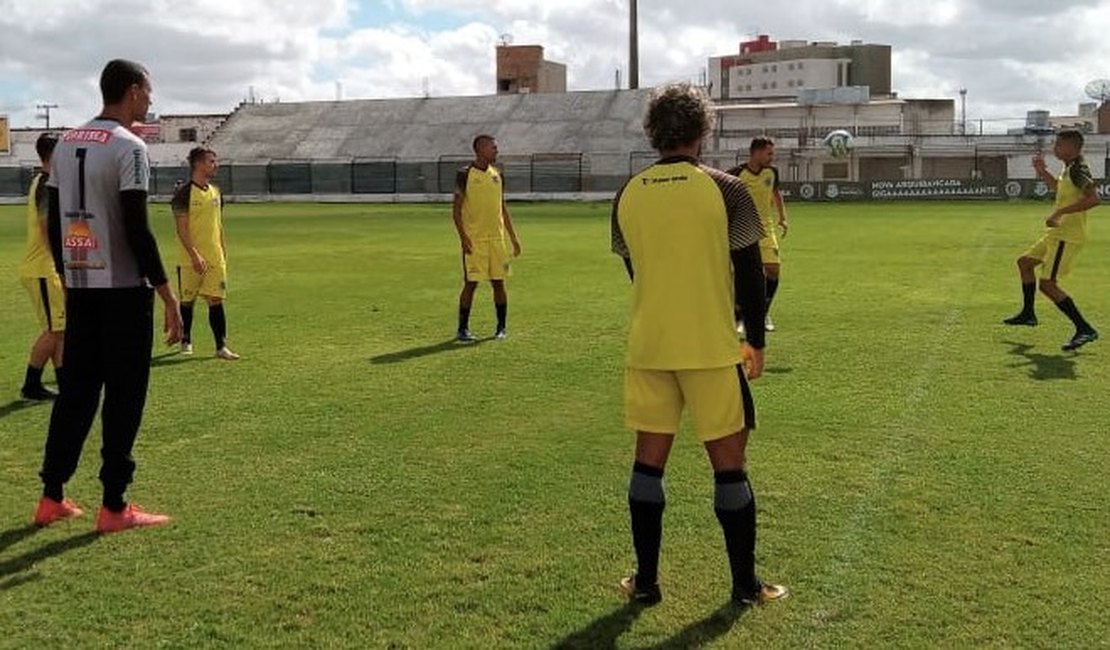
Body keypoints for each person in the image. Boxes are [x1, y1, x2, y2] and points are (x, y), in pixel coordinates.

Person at [611, 82, 787, 606]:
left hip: (650, 346)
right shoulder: (725, 188)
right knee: (729, 467)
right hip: (712, 347)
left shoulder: (628, 192)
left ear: (653, 131)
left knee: (648, 466)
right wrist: (755, 340)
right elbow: (752, 275)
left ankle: (645, 584)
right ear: (703, 129)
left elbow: (634, 268)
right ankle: (745, 587)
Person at [33, 59, 184, 533]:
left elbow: (54, 223)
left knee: (75, 395)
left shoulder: (66, 143)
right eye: (148, 91)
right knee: (124, 397)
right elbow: (137, 229)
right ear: (133, 90)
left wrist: (68, 274)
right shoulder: (130, 147)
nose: (151, 101)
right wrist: (166, 293)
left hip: (82, 291)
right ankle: (114, 506)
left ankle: (51, 495)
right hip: (122, 293)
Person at [1003, 129, 1100, 351]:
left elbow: (1094, 199)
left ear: (1074, 148)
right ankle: (1028, 314)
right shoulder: (1068, 170)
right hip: (1056, 234)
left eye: (1059, 145)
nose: (1055, 148)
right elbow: (1058, 188)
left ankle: (1084, 328)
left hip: (1067, 236)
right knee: (1025, 263)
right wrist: (1042, 170)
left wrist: (1059, 213)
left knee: (1047, 285)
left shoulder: (1079, 170)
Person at [452, 135, 522, 342]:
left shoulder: (498, 174)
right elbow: (455, 211)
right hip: (475, 241)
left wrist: (513, 238)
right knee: (471, 283)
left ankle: (501, 327)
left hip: (496, 240)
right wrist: (464, 237)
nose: (496, 151)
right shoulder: (464, 175)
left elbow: (502, 208)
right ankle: (462, 329)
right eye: (493, 147)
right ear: (480, 149)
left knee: (499, 283)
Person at [172, 146, 239, 359]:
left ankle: (221, 347)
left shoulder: (216, 192)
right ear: (199, 164)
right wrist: (194, 255)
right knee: (187, 301)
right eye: (211, 161)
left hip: (214, 257)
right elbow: (181, 229)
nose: (215, 165)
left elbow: (218, 225)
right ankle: (186, 340)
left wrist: (223, 251)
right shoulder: (183, 194)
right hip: (190, 259)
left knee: (216, 300)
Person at [17, 133, 65, 401]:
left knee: (60, 328)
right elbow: (48, 228)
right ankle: (31, 384)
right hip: (43, 269)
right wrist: (60, 265)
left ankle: (64, 381)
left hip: (45, 268)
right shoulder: (46, 183)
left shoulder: (44, 181)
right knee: (54, 330)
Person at [727, 137, 788, 333]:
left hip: (765, 228)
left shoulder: (772, 172)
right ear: (757, 152)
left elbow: (776, 193)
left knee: (773, 270)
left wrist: (783, 218)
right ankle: (739, 317)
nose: (772, 157)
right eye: (769, 153)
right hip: (742, 228)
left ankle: (762, 314)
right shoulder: (737, 174)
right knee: (744, 275)